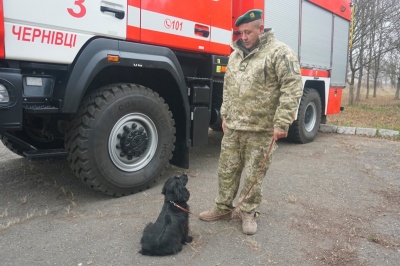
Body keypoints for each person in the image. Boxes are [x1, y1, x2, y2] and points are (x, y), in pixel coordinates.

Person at [199, 9, 303, 235]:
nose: (243, 36)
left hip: (262, 128)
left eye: (248, 32)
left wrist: (282, 122)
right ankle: (222, 208)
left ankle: (248, 212)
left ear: (260, 29)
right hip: (234, 127)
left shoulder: (279, 52)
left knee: (254, 175)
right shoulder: (235, 54)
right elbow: (228, 88)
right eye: (240, 32)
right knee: (226, 170)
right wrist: (225, 116)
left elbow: (292, 88)